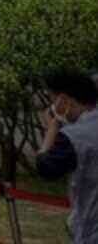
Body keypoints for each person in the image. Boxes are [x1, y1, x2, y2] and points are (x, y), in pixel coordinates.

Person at [35, 67, 97, 244]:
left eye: (52, 100)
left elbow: (46, 168)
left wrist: (52, 129)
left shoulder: (75, 136)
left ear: (63, 100)